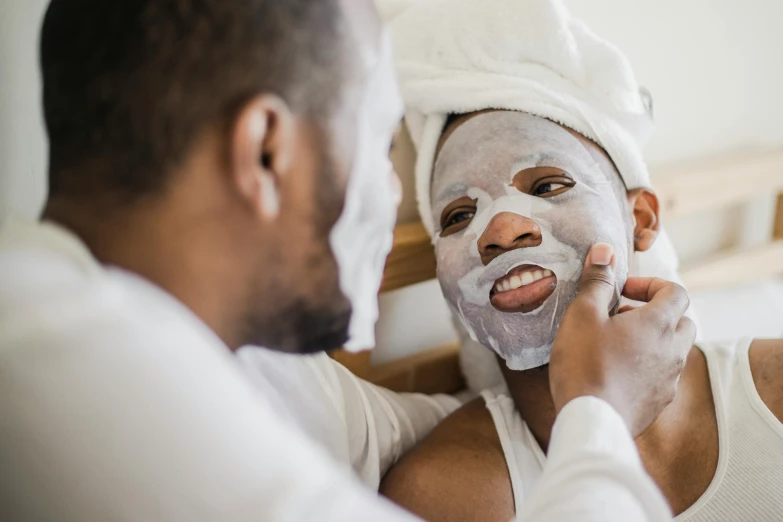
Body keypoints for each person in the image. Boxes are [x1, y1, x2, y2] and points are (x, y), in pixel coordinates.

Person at [0, 0, 693, 520]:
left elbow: (397, 423)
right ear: (267, 153)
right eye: (375, 141)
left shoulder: (228, 346)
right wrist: (598, 410)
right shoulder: (102, 388)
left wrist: (547, 392)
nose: (394, 193)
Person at [379, 1, 783, 520]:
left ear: (640, 219)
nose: (499, 230)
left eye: (549, 185)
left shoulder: (773, 390)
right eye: (458, 217)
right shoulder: (446, 493)